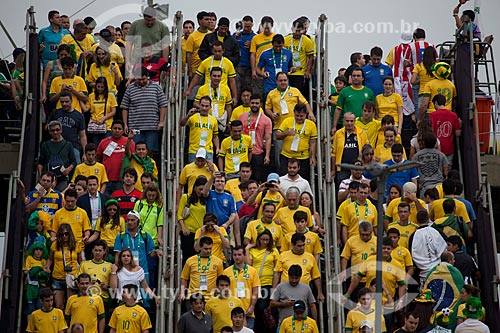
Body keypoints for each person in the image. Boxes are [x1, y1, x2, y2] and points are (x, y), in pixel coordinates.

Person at [343, 237, 407, 313]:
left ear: (392, 249)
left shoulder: (397, 265)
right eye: (383, 248)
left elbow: (402, 285)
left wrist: (400, 301)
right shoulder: (370, 260)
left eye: (388, 248)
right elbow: (357, 277)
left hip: (386, 303)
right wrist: (347, 294)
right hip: (368, 302)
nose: (386, 250)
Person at [265, 72, 313, 169]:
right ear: (276, 82)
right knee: (279, 155)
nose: (283, 82)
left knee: (295, 153)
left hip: (295, 127)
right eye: (280, 80)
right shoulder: (271, 93)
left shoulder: (295, 91)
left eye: (285, 80)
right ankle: (281, 175)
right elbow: (267, 108)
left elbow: (305, 103)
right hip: (279, 128)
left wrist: (310, 113)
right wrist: (271, 114)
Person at [121, 66, 167, 154]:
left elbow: (163, 105)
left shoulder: (156, 87)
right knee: (135, 151)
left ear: (147, 76)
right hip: (135, 127)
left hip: (152, 126)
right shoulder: (130, 89)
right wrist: (125, 124)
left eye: (143, 79)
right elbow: (125, 107)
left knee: (150, 151)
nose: (141, 82)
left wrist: (161, 121)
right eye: (139, 80)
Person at [273, 233, 325, 302]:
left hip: (303, 293)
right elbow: (277, 274)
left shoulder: (310, 257)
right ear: (292, 245)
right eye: (299, 246)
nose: (302, 248)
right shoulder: (283, 256)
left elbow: (316, 276)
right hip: (286, 293)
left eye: (303, 245)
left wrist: (320, 293)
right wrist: (274, 290)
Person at [246, 228, 279, 332]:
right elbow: (248, 265)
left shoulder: (273, 251)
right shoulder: (253, 250)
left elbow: (276, 269)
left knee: (263, 308)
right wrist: (247, 249)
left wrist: (274, 287)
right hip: (255, 284)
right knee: (255, 308)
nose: (265, 242)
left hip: (267, 284)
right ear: (258, 239)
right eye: (263, 239)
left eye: (267, 240)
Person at [113, 210, 159, 285]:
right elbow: (117, 255)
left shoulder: (145, 236)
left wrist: (157, 251)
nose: (130, 222)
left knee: (144, 294)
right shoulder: (121, 236)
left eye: (132, 220)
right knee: (127, 294)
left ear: (138, 221)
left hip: (142, 271)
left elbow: (151, 254)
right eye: (128, 220)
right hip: (126, 272)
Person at [186, 41, 238, 105]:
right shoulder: (206, 62)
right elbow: (197, 77)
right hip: (207, 91)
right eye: (215, 51)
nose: (217, 53)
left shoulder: (228, 63)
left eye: (219, 51)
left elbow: (232, 81)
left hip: (223, 91)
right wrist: (189, 90)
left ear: (223, 51)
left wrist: (235, 97)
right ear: (212, 51)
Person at [276, 103, 317, 181]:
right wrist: (286, 133)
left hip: (302, 158)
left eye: (301, 116)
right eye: (297, 116)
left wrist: (313, 157)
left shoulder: (311, 125)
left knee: (301, 180)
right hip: (287, 156)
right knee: (284, 179)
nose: (299, 118)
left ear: (306, 114)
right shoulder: (287, 121)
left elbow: (313, 142)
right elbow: (277, 136)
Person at [223, 246, 261, 329]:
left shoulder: (253, 271)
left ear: (244, 255)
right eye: (235, 255)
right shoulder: (226, 271)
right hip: (231, 312)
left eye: (239, 254)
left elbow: (256, 291)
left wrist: (252, 306)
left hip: (248, 312)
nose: (237, 257)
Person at [125, 6, 170, 75]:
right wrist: (127, 61)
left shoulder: (163, 27)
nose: (150, 22)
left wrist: (164, 65)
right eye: (147, 20)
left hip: (155, 62)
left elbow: (165, 47)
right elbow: (128, 43)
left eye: (152, 20)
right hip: (137, 60)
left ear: (156, 17)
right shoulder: (135, 25)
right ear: (143, 17)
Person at [238, 94, 272, 182]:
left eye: (257, 103)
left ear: (260, 104)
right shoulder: (242, 117)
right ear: (249, 103)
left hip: (258, 153)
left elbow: (268, 138)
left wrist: (267, 155)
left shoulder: (266, 120)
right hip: (243, 153)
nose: (254, 105)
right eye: (252, 103)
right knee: (243, 178)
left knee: (257, 178)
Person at [409, 210, 447, 286]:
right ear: (428, 219)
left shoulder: (413, 236)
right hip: (440, 270)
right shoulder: (436, 231)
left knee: (425, 295)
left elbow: (412, 254)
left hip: (424, 273)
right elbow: (445, 246)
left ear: (417, 221)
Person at [97, 120, 135, 195]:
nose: (117, 130)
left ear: (123, 130)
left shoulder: (129, 142)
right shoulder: (103, 142)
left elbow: (133, 159)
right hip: (106, 180)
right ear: (111, 129)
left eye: (119, 129)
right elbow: (98, 159)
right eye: (115, 128)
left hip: (122, 180)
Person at [180, 236, 224, 301]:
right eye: (206, 249)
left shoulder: (218, 261)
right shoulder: (190, 260)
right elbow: (184, 278)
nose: (208, 251)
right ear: (200, 247)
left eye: (210, 248)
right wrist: (182, 293)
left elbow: (220, 279)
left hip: (210, 298)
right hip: (193, 297)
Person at [202, 166, 239, 243]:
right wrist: (212, 178)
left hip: (224, 230)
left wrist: (226, 224)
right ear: (214, 183)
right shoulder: (210, 193)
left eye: (222, 181)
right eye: (217, 181)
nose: (220, 183)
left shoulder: (230, 197)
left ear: (225, 183)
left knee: (225, 253)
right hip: (209, 230)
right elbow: (204, 192)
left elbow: (233, 214)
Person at [49, 90, 87, 164]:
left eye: (66, 102)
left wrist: (84, 153)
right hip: (57, 147)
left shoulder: (79, 116)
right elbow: (48, 129)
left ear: (71, 101)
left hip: (73, 147)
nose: (64, 104)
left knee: (75, 171)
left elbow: (83, 136)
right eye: (62, 102)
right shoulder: (55, 113)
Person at [331, 112, 369, 185]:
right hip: (342, 170)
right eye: (347, 121)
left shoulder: (361, 133)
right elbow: (333, 153)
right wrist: (333, 169)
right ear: (343, 121)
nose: (349, 123)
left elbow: (366, 151)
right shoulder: (338, 134)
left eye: (351, 121)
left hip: (358, 170)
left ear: (355, 121)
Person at [180, 96, 220, 163]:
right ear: (199, 105)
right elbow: (182, 124)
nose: (204, 108)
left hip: (208, 150)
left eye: (206, 106)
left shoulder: (214, 120)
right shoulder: (193, 117)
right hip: (194, 150)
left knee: (208, 171)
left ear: (210, 107)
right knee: (193, 171)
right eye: (202, 105)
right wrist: (188, 115)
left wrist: (217, 147)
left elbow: (215, 136)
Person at [193, 67, 233, 133]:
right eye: (214, 76)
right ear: (210, 76)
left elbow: (228, 106)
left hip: (220, 122)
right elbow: (195, 103)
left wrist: (229, 122)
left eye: (218, 76)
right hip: (206, 120)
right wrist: (204, 108)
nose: (216, 78)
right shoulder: (202, 88)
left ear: (221, 77)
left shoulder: (226, 89)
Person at [178, 176, 207, 264]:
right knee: (188, 258)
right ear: (195, 187)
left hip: (201, 233)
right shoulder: (186, 197)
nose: (201, 192)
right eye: (200, 189)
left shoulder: (207, 199)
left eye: (203, 189)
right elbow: (179, 215)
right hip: (188, 233)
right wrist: (183, 227)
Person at [385, 32, 415, 119]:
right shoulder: (414, 49)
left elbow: (389, 66)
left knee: (398, 102)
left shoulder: (394, 49)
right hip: (411, 79)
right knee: (412, 104)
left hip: (398, 80)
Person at [82, 76, 118, 146]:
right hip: (94, 126)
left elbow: (113, 111)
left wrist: (103, 118)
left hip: (107, 126)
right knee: (96, 147)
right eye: (98, 87)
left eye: (102, 87)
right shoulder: (91, 96)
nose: (100, 89)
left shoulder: (110, 96)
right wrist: (80, 98)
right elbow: (86, 109)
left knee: (107, 147)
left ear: (105, 87)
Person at [284, 19, 315, 99]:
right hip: (288, 72)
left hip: (300, 73)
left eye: (299, 31)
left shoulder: (307, 41)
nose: (297, 33)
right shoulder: (286, 39)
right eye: (296, 31)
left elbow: (311, 57)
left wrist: (308, 71)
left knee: (297, 94)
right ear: (292, 29)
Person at [77, 240, 112, 310]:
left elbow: (113, 287)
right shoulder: (84, 264)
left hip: (103, 297)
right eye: (96, 250)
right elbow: (77, 282)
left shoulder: (109, 266)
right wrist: (88, 284)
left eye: (100, 250)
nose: (97, 253)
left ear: (104, 252)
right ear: (92, 251)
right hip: (86, 296)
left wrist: (106, 287)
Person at [429, 93, 461, 167]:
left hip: (436, 148)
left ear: (436, 103)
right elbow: (458, 133)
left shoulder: (433, 115)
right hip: (449, 148)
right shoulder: (453, 115)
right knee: (448, 168)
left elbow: (431, 131)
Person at [250, 16, 275, 96]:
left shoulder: (275, 38)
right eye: (265, 28)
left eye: (268, 28)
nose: (267, 30)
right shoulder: (255, 38)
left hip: (272, 74)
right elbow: (253, 55)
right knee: (258, 95)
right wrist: (253, 71)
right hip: (259, 72)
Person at [411, 46, 437, 116]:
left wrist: (420, 80)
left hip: (422, 92)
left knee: (421, 113)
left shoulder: (418, 66)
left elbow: (412, 81)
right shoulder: (436, 66)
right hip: (434, 92)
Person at [185, 11, 211, 80]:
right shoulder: (192, 37)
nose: (209, 21)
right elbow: (189, 55)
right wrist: (190, 70)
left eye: (209, 19)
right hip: (196, 70)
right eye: (206, 19)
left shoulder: (212, 35)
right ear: (199, 21)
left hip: (209, 69)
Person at [234, 16, 256, 95]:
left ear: (252, 25)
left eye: (248, 27)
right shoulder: (236, 35)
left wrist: (252, 46)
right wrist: (235, 38)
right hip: (238, 66)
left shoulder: (255, 37)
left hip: (249, 67)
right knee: (237, 86)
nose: (246, 29)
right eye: (245, 26)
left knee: (247, 87)